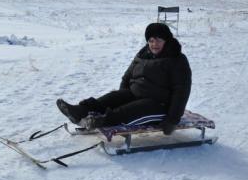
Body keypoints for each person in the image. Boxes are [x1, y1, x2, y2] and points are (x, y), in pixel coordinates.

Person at [56, 22, 191, 135]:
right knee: (112, 98)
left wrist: (172, 119)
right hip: (136, 94)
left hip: (159, 105)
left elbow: (181, 91)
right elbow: (127, 76)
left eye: (159, 40)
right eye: (151, 40)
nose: (154, 44)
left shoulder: (177, 60)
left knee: (126, 112)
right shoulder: (144, 54)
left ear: (166, 40)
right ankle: (80, 111)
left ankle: (101, 121)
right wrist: (121, 97)